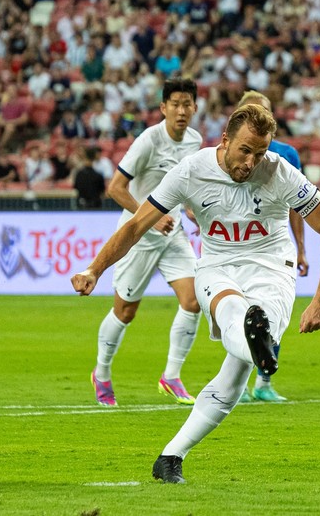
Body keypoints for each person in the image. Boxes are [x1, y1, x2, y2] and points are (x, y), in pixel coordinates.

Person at [71, 104, 320, 484]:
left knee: (236, 373)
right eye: (245, 150)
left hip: (272, 268)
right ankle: (258, 344)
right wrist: (94, 269)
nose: (252, 161)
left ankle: (171, 456)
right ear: (225, 140)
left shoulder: (281, 173)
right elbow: (137, 226)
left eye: (261, 152)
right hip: (217, 266)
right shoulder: (191, 170)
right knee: (234, 309)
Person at [87, 79, 204, 407]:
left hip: (173, 234)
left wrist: (192, 213)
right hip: (138, 236)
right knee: (125, 312)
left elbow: (185, 190)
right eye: (175, 104)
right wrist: (150, 213)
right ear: (163, 108)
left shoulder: (194, 141)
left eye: (187, 104)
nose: (181, 111)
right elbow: (116, 188)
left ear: (195, 108)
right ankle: (102, 373)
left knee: (193, 301)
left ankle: (171, 377)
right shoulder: (148, 141)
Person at [233, 90, 308, 403]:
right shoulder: (228, 153)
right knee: (238, 317)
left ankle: (263, 382)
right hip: (235, 248)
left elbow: (297, 207)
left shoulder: (287, 155)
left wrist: (302, 249)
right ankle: (239, 384)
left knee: (270, 316)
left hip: (272, 251)